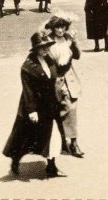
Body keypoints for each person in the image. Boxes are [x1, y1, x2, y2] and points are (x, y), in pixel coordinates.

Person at [2, 31, 65, 178]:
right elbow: (28, 90)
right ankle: (16, 160)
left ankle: (51, 167)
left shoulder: (49, 59)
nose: (46, 49)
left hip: (50, 106)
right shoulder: (28, 67)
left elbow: (56, 76)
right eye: (43, 47)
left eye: (48, 46)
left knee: (53, 134)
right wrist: (31, 110)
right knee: (25, 137)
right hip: (34, 107)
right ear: (35, 48)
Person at [43, 13, 83, 158]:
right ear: (52, 28)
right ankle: (62, 141)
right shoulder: (48, 41)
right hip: (54, 79)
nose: (60, 30)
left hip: (69, 77)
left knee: (71, 108)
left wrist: (74, 42)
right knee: (57, 111)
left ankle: (74, 142)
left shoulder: (68, 39)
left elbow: (77, 56)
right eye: (57, 27)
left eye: (62, 27)